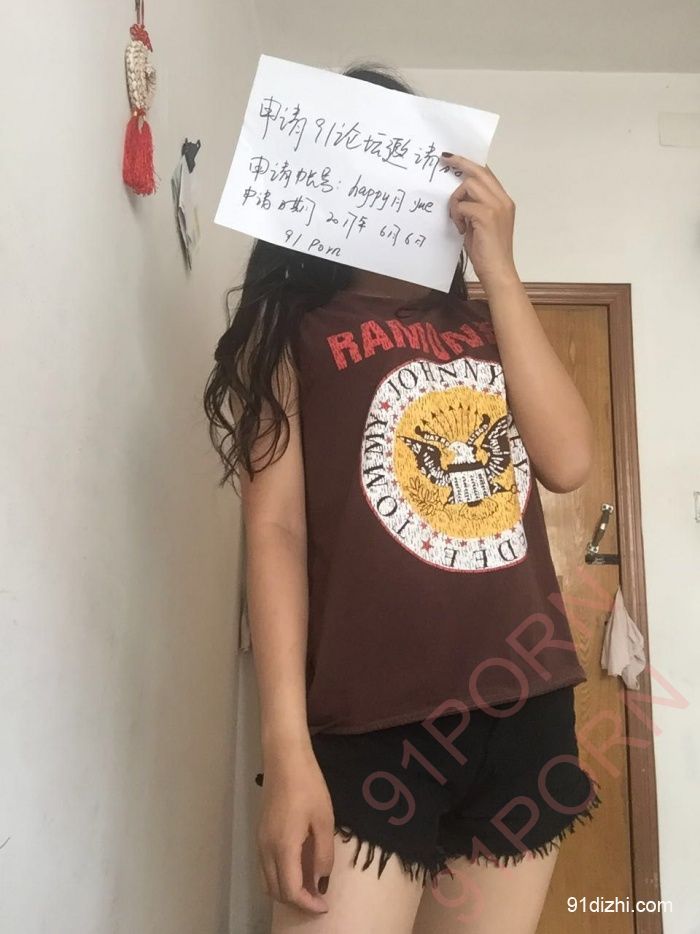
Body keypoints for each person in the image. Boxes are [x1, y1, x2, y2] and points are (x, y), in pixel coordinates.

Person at [204, 64, 601, 934]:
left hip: (523, 705)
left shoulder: (489, 324)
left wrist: (500, 270)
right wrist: (285, 747)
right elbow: (274, 532)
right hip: (365, 723)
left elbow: (569, 462)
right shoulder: (293, 333)